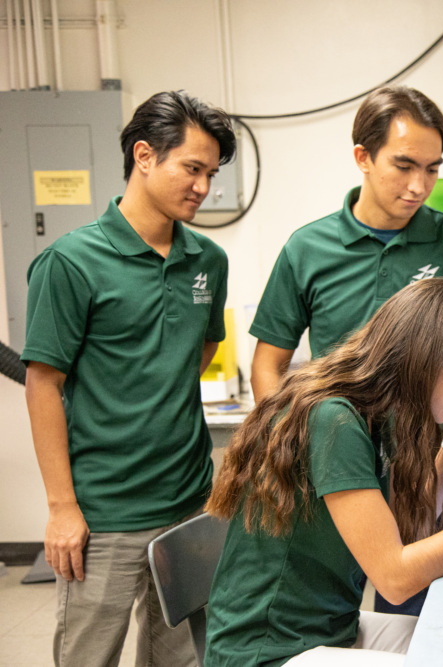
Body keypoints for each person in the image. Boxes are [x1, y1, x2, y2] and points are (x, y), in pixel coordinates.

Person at [204, 279, 443, 666]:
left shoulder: (373, 414)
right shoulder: (334, 421)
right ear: (431, 360)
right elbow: (396, 579)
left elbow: (408, 529)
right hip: (269, 653)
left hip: (331, 628)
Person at [21, 91, 237, 666]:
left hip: (189, 503)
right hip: (105, 514)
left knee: (181, 659)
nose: (203, 186)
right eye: (192, 168)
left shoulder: (208, 261)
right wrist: (62, 507)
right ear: (144, 155)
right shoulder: (71, 262)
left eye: (211, 174)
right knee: (90, 658)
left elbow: (200, 346)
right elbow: (42, 383)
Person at [249, 85, 443, 406]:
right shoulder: (306, 249)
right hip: (336, 443)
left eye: (432, 169)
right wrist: (282, 443)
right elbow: (267, 366)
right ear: (363, 158)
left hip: (434, 450)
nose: (419, 186)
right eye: (404, 167)